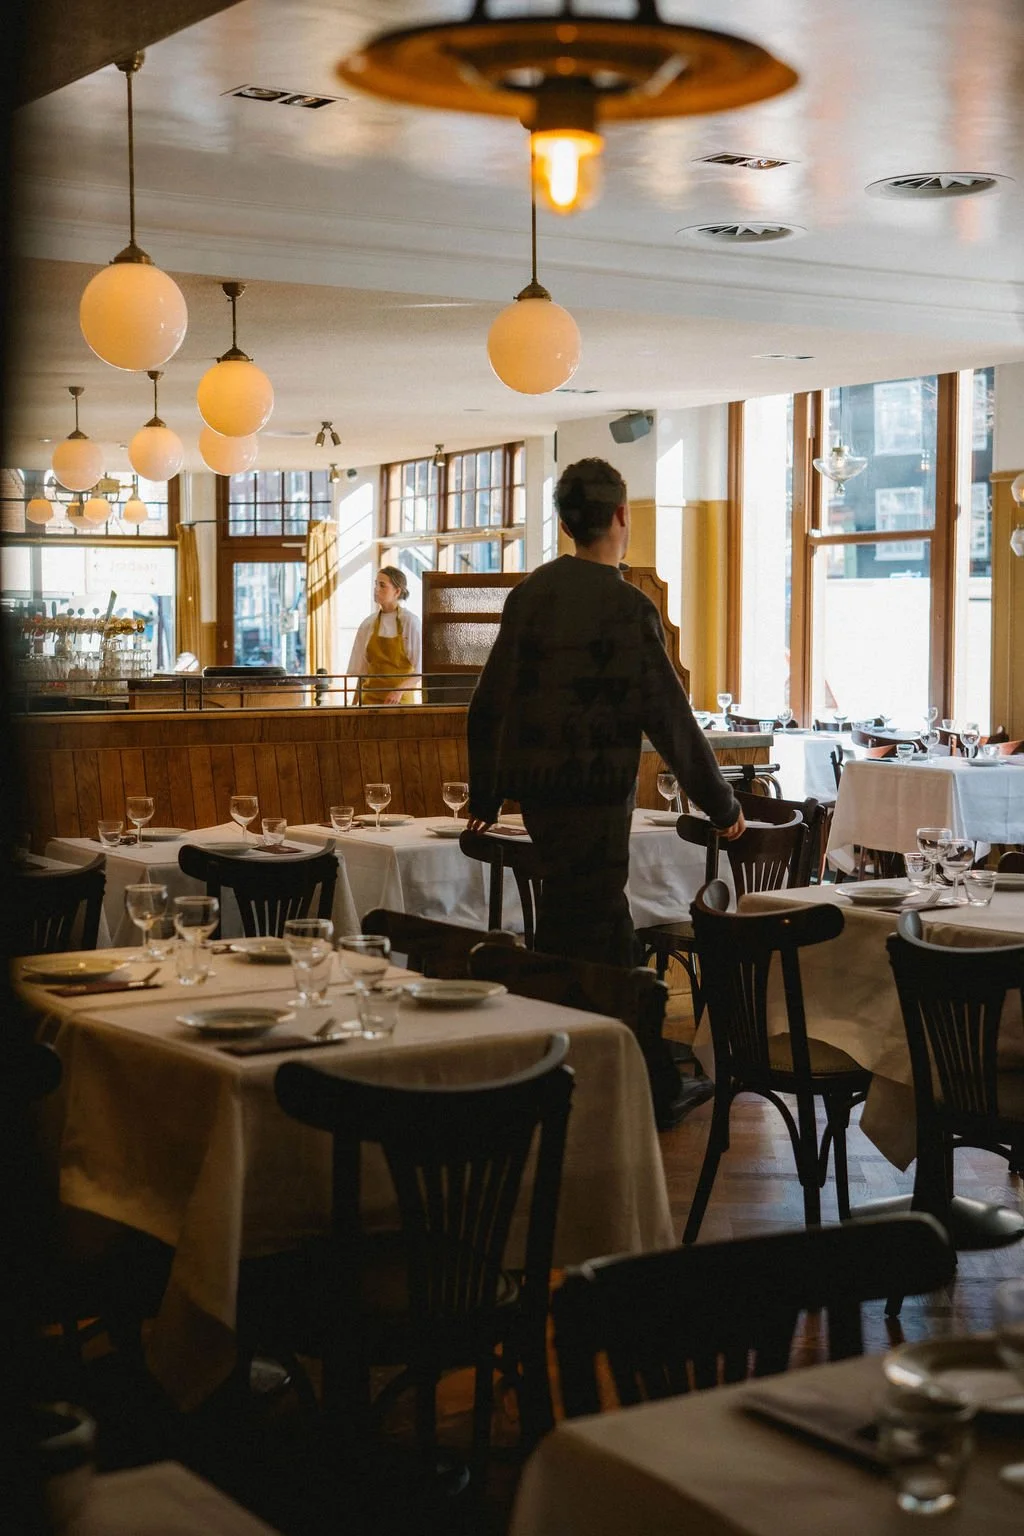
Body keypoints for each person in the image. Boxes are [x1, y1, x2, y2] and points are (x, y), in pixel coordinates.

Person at [466, 457, 744, 969]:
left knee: (570, 914)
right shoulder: (629, 608)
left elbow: (489, 703)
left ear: (566, 526)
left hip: (541, 798)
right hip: (599, 796)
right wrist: (721, 804)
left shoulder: (530, 595)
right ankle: (616, 1028)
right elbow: (670, 720)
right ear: (622, 514)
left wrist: (485, 794)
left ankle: (579, 1026)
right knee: (595, 923)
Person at [347, 566, 422, 705]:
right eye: (376, 584)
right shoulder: (367, 624)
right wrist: (353, 706)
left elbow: (419, 671)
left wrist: (398, 691)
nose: (376, 589)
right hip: (369, 702)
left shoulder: (410, 622)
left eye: (382, 585)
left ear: (397, 591)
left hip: (400, 703)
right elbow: (362, 674)